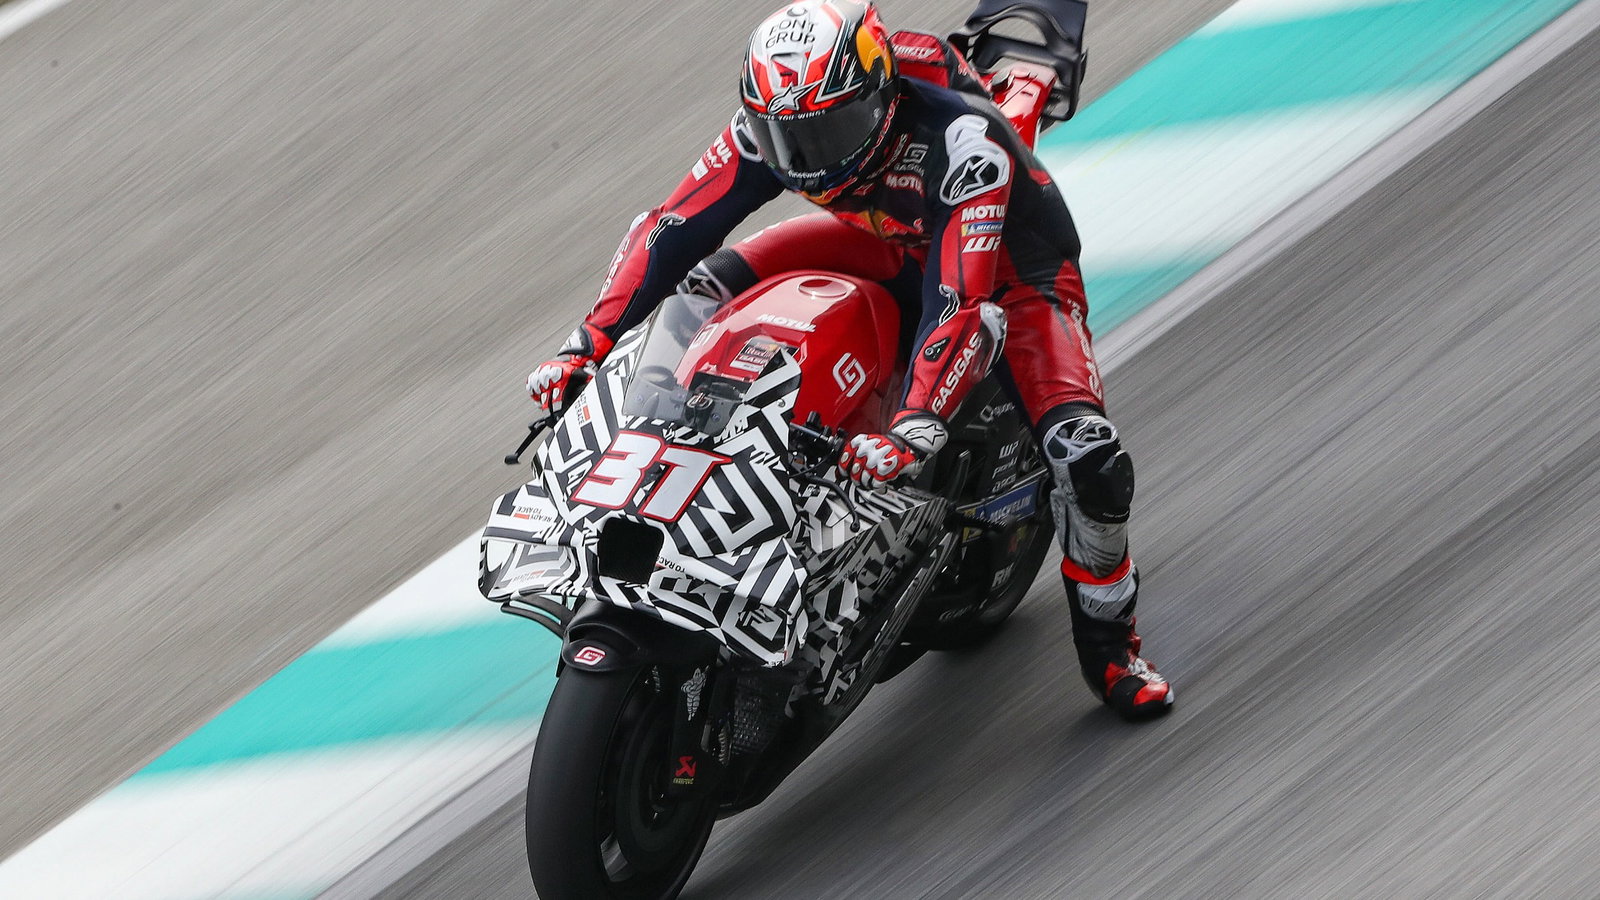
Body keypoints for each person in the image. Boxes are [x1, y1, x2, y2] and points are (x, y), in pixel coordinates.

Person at [526, 0, 1172, 719]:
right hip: (888, 238)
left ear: (880, 98)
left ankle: (1111, 646)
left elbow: (959, 303)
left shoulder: (962, 143)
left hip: (1012, 276)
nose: (806, 159)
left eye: (826, 132)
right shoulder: (775, 122)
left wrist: (915, 425)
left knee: (1087, 456)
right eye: (786, 138)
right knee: (705, 289)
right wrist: (587, 343)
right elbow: (672, 225)